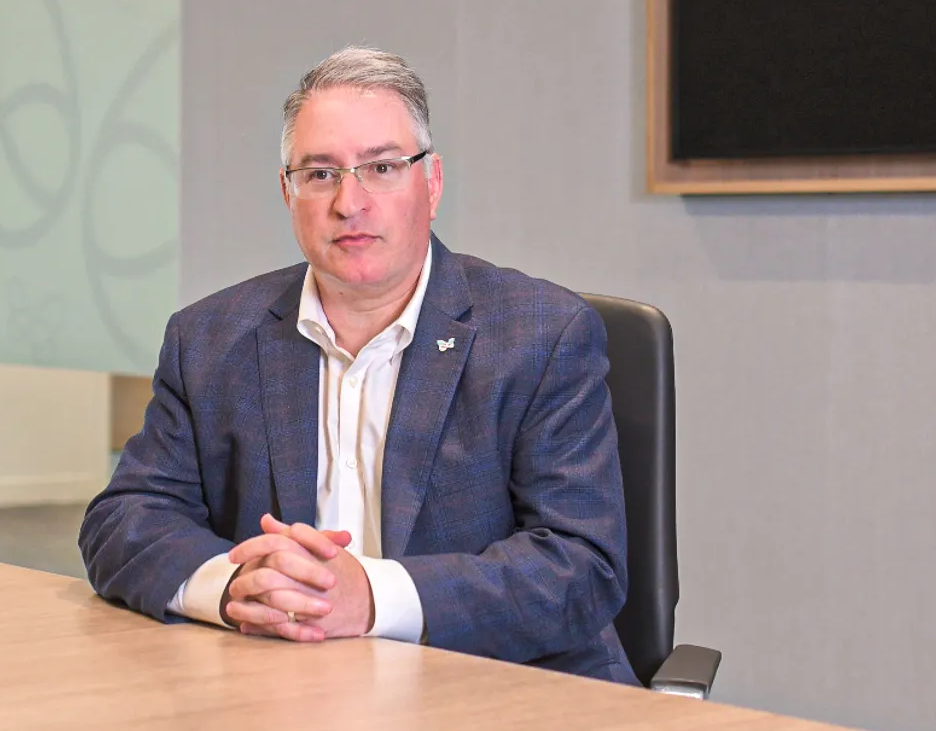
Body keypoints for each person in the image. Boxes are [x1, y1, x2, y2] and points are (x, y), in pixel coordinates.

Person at [79, 46, 635, 684]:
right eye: (321, 174)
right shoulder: (209, 338)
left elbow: (581, 565)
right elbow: (124, 519)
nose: (350, 202)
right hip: (280, 692)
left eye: (382, 168)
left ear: (432, 183)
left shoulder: (542, 334)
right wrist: (236, 586)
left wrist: (370, 598)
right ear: (287, 192)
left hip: (499, 689)